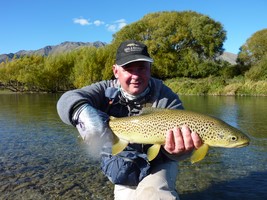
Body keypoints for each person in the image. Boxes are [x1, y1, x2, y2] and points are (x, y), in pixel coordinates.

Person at [57, 40, 202, 200]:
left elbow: (180, 154)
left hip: (158, 162)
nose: (136, 76)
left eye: (141, 68)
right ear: (116, 71)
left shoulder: (166, 98)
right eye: (128, 69)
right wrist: (85, 114)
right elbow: (67, 100)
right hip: (123, 162)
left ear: (150, 69)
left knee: (156, 196)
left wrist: (179, 152)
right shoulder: (104, 90)